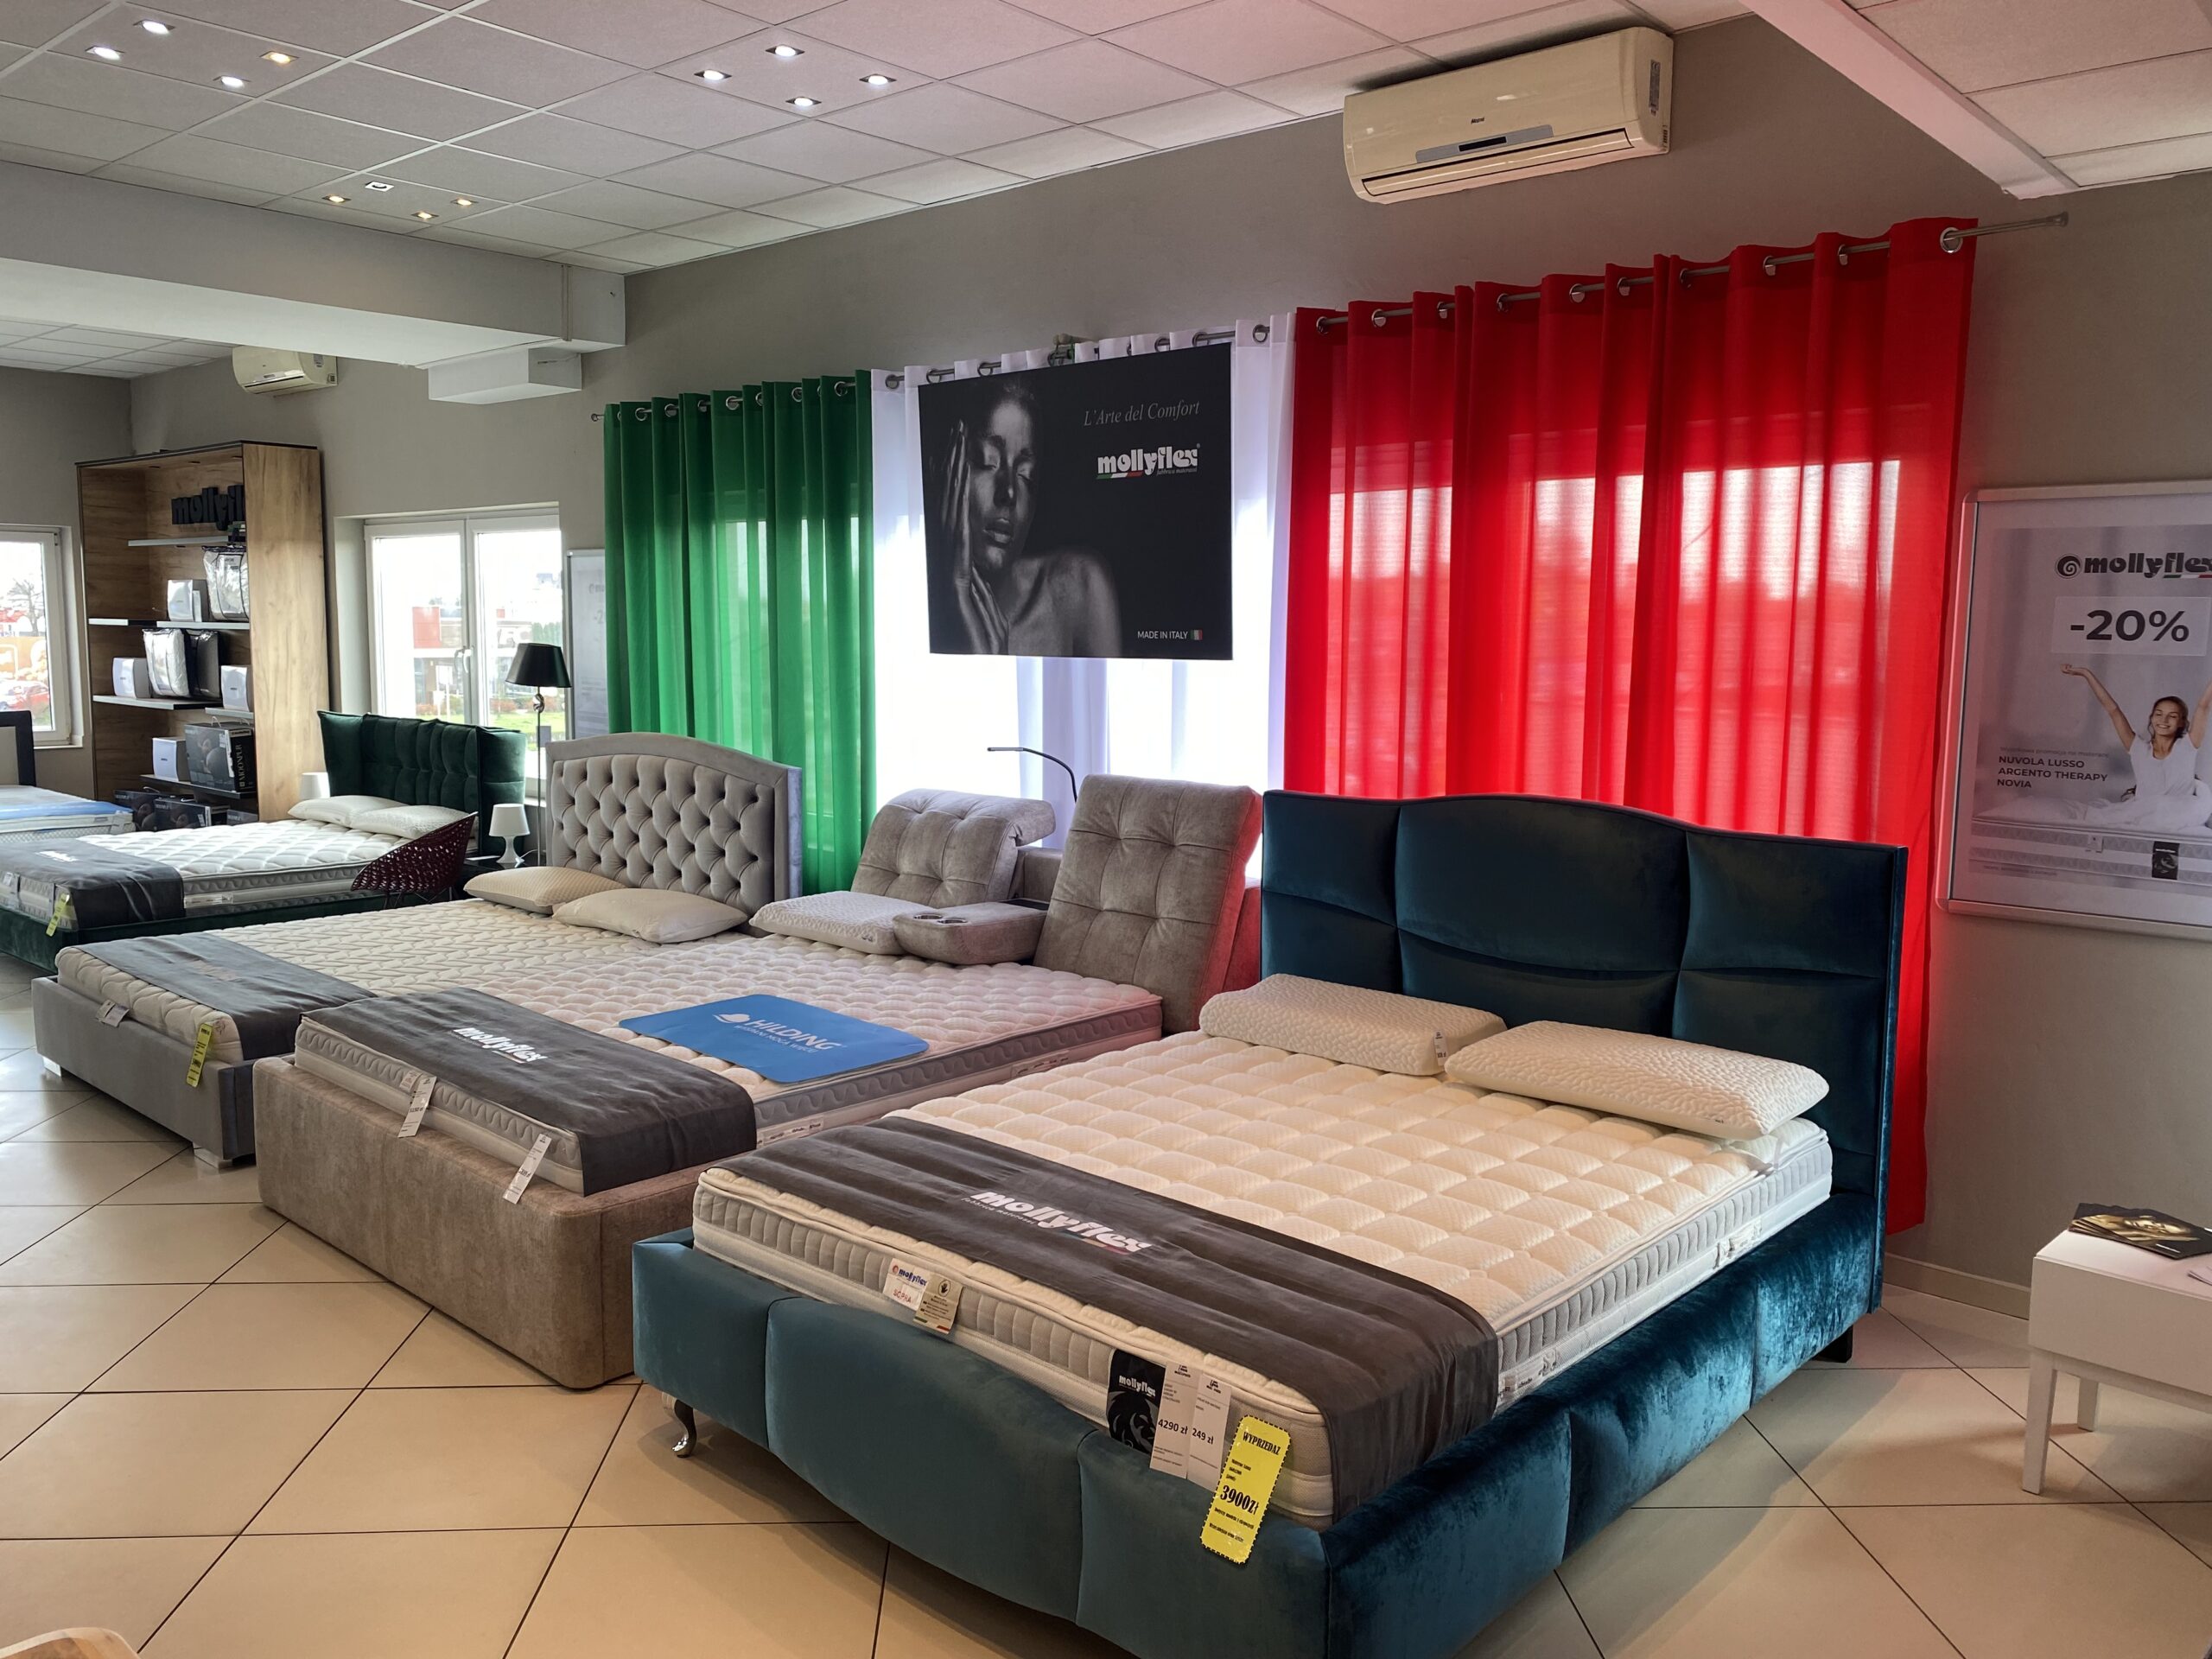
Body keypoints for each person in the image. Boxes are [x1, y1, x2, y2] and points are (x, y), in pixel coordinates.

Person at [932, 379, 1121, 657]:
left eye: (1025, 475)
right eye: (987, 461)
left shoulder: (1079, 586)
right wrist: (958, 588)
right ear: (944, 468)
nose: (1009, 492)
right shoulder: (911, 606)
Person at [2018, 664, 2212, 830]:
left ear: (2181, 722)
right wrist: (2086, 674)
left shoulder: (2187, 746)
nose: (2164, 720)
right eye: (2159, 714)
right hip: (2142, 813)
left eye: (2172, 716)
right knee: (2095, 813)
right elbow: (2113, 710)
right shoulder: (2138, 749)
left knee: (2162, 804)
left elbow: (2203, 706)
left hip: (2174, 813)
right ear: (2152, 718)